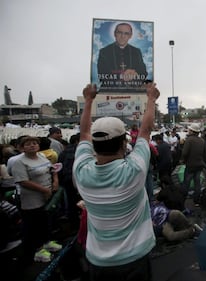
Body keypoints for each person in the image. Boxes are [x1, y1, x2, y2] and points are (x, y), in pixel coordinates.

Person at [73, 82, 159, 281]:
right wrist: (151, 98)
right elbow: (145, 130)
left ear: (94, 144)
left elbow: (84, 133)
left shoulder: (81, 172)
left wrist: (88, 100)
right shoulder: (134, 171)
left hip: (98, 261)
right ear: (124, 143)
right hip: (135, 259)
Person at [11, 136, 62, 264]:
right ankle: (37, 250)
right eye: (28, 144)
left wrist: (55, 181)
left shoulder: (41, 157)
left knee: (44, 220)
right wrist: (44, 190)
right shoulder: (19, 162)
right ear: (21, 148)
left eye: (34, 143)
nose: (32, 146)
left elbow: (52, 169)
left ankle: (46, 242)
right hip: (30, 198)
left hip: (45, 196)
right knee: (32, 224)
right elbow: (23, 181)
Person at [97, 22, 147, 91]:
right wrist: (123, 75)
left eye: (126, 33)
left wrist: (135, 73)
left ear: (130, 36)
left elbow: (143, 72)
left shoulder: (136, 51)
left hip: (132, 92)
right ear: (115, 34)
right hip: (110, 92)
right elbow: (102, 75)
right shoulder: (104, 52)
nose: (123, 36)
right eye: (120, 32)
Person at [181, 123, 206, 205]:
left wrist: (184, 160)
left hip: (190, 165)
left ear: (192, 131)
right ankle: (196, 201)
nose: (188, 131)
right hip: (199, 164)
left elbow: (184, 153)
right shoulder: (202, 140)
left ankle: (182, 199)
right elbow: (205, 153)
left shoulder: (189, 140)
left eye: (189, 130)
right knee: (197, 183)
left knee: (186, 182)